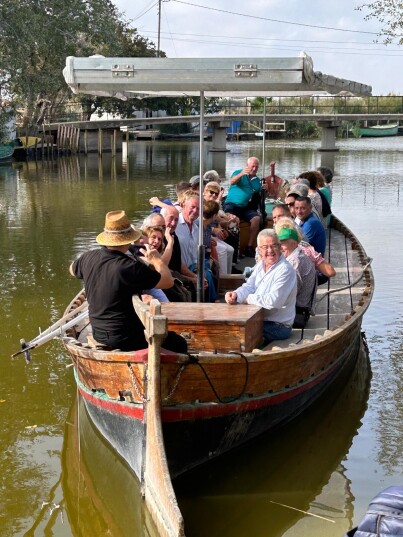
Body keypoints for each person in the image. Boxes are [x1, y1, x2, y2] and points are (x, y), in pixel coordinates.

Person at [69, 210, 187, 353]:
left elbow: (71, 269)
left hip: (98, 333)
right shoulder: (130, 266)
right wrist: (156, 260)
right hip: (126, 337)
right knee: (180, 344)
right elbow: (168, 282)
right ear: (128, 239)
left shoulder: (88, 257)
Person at [225, 229, 297, 345]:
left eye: (274, 246)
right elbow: (249, 286)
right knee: (228, 327)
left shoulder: (285, 270)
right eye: (265, 247)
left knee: (235, 333)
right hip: (259, 319)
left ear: (279, 247)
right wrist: (236, 295)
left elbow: (274, 301)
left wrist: (248, 299)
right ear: (259, 250)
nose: (270, 251)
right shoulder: (261, 265)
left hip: (278, 326)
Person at [223, 156, 267, 257]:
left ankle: (249, 247)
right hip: (231, 205)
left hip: (244, 207)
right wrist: (242, 173)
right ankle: (233, 250)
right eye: (252, 166)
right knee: (232, 220)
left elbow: (259, 195)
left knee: (256, 218)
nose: (254, 169)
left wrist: (264, 189)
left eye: (256, 167)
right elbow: (232, 181)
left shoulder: (257, 181)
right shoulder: (238, 172)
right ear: (247, 166)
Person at [277, 226, 317, 327]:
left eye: (283, 244)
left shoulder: (295, 262)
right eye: (278, 243)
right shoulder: (298, 256)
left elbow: (289, 294)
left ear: (294, 244)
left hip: (296, 314)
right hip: (297, 311)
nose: (279, 247)